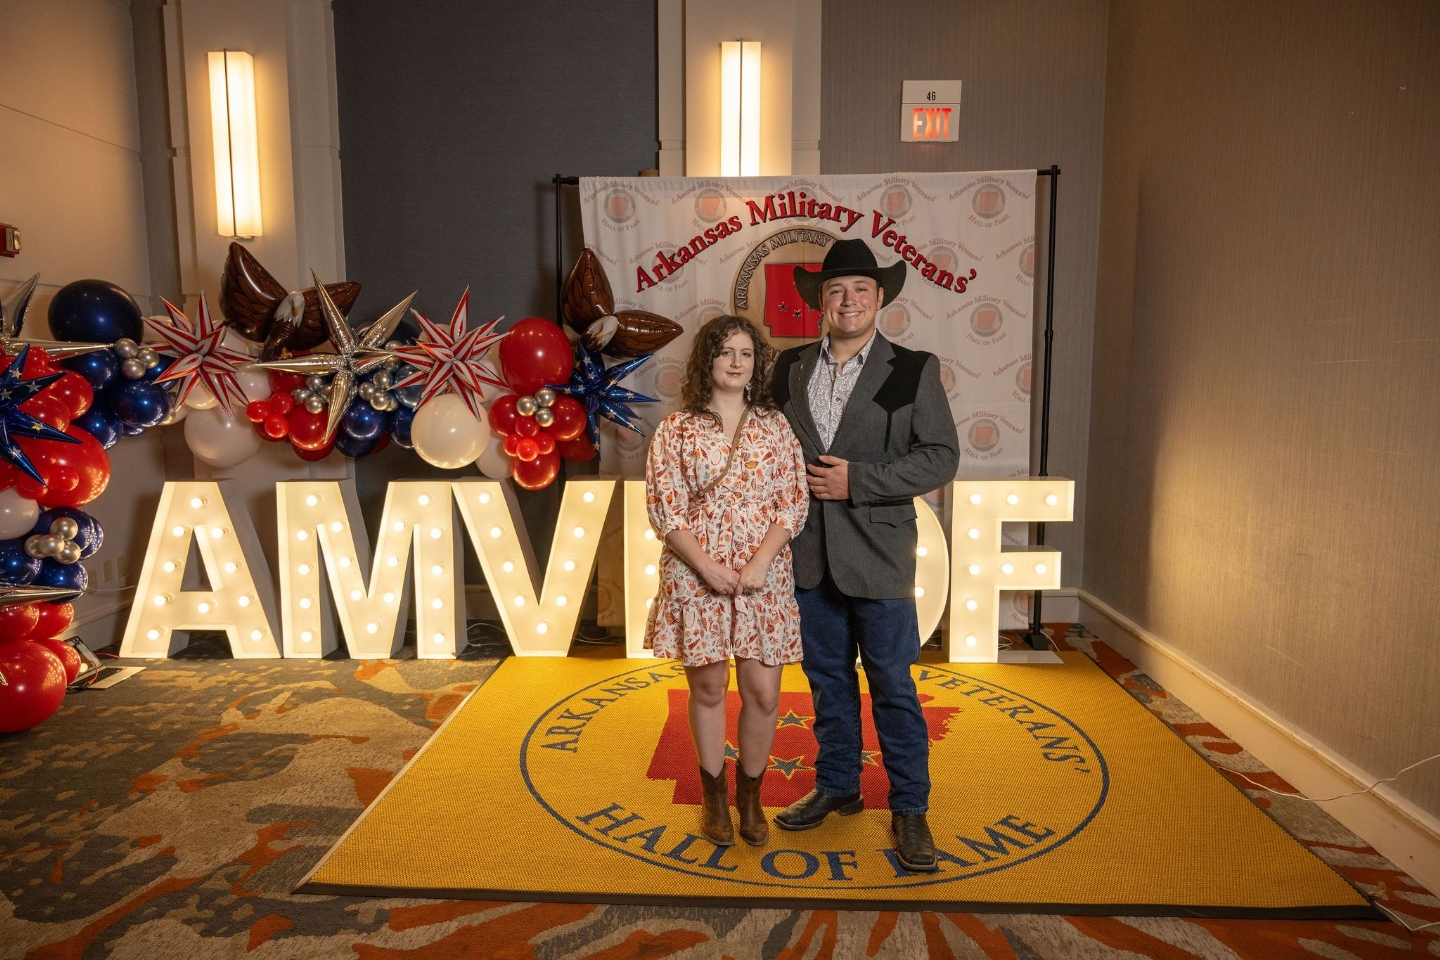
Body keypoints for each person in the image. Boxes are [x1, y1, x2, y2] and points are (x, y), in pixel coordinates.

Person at [769, 239, 960, 872]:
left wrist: (860, 481)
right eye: (835, 290)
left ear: (879, 298)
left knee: (892, 686)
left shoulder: (913, 369)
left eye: (860, 289)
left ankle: (910, 808)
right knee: (826, 680)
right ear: (820, 302)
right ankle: (838, 784)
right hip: (808, 555)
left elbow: (940, 456)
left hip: (879, 555)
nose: (848, 300)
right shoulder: (788, 367)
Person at [644, 314, 809, 848]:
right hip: (696, 574)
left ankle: (750, 796)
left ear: (756, 363)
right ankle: (713, 794)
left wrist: (760, 562)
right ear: (707, 360)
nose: (736, 363)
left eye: (746, 353)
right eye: (725, 352)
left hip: (765, 574)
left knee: (763, 692)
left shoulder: (775, 426)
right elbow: (665, 508)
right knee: (709, 686)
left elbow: (793, 500)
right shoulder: (676, 429)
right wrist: (707, 567)